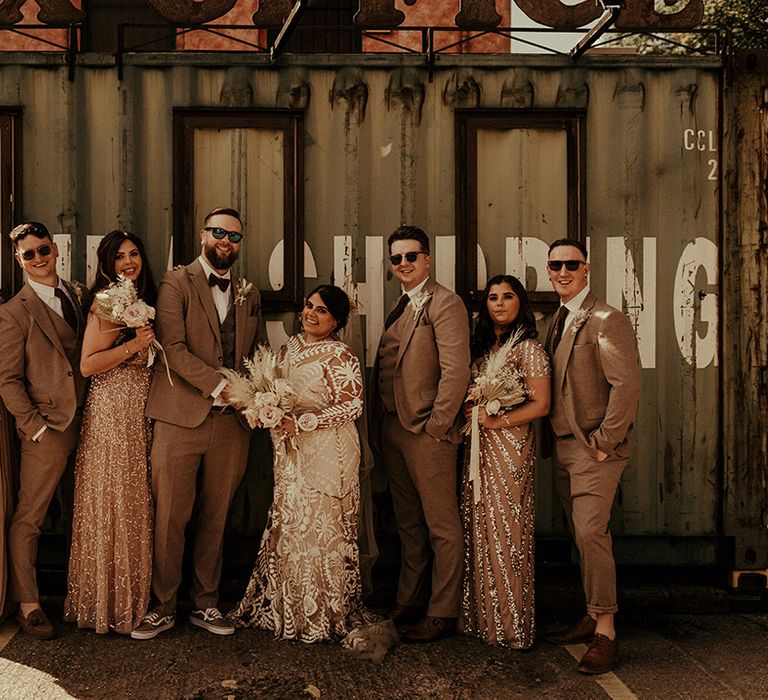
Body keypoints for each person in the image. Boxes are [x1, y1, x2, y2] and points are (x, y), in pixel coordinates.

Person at [132, 207, 261, 640]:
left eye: (235, 236)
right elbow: (172, 346)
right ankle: (162, 606)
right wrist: (221, 387)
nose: (226, 241)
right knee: (170, 514)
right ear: (203, 235)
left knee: (217, 514)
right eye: (219, 232)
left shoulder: (248, 290)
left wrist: (258, 393)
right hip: (180, 418)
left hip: (232, 425)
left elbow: (254, 354)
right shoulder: (176, 281)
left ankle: (206, 604)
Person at [229, 285, 367, 643]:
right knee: (292, 525)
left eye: (322, 311)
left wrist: (304, 422)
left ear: (336, 319)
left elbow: (353, 406)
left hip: (327, 451)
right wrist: (264, 409)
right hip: (289, 453)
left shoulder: (340, 355)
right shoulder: (289, 347)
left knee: (320, 528)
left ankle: (323, 613)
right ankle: (288, 609)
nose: (311, 314)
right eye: (309, 306)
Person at [543, 238, 640, 674]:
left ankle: (606, 631)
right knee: (578, 533)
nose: (562, 271)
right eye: (555, 265)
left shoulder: (607, 318)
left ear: (587, 269)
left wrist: (605, 440)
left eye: (571, 264)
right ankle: (589, 611)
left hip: (593, 450)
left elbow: (626, 384)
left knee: (590, 534)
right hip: (563, 447)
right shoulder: (557, 319)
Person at [369, 225, 470, 643]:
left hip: (427, 431)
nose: (405, 264)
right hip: (395, 429)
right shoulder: (401, 305)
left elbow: (456, 370)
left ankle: (442, 610)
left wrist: (437, 426)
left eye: (412, 256)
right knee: (409, 524)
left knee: (441, 526)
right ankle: (410, 599)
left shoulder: (445, 303)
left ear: (427, 259)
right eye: (397, 258)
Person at [63, 230, 157, 634]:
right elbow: (87, 365)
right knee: (114, 498)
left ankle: (133, 600)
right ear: (107, 265)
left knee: (136, 501)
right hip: (112, 410)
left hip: (140, 409)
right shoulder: (106, 301)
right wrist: (134, 346)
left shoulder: (140, 300)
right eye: (119, 257)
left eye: (134, 254)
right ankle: (107, 605)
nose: (128, 262)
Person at [0, 222, 89, 639]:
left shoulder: (75, 293)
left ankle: (84, 597)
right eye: (29, 254)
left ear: (55, 250)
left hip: (90, 422)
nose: (39, 259)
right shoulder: (14, 312)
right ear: (19, 260)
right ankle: (29, 603)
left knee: (85, 514)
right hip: (48, 429)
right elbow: (8, 380)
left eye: (43, 250)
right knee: (30, 518)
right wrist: (34, 428)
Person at [460, 275, 551, 648]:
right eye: (492, 298)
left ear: (520, 303)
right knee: (478, 526)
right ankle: (484, 621)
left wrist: (497, 420)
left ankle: (512, 626)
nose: (498, 303)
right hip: (477, 448)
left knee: (506, 529)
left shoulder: (527, 349)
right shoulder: (483, 350)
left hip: (510, 446)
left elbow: (541, 404)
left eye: (507, 296)